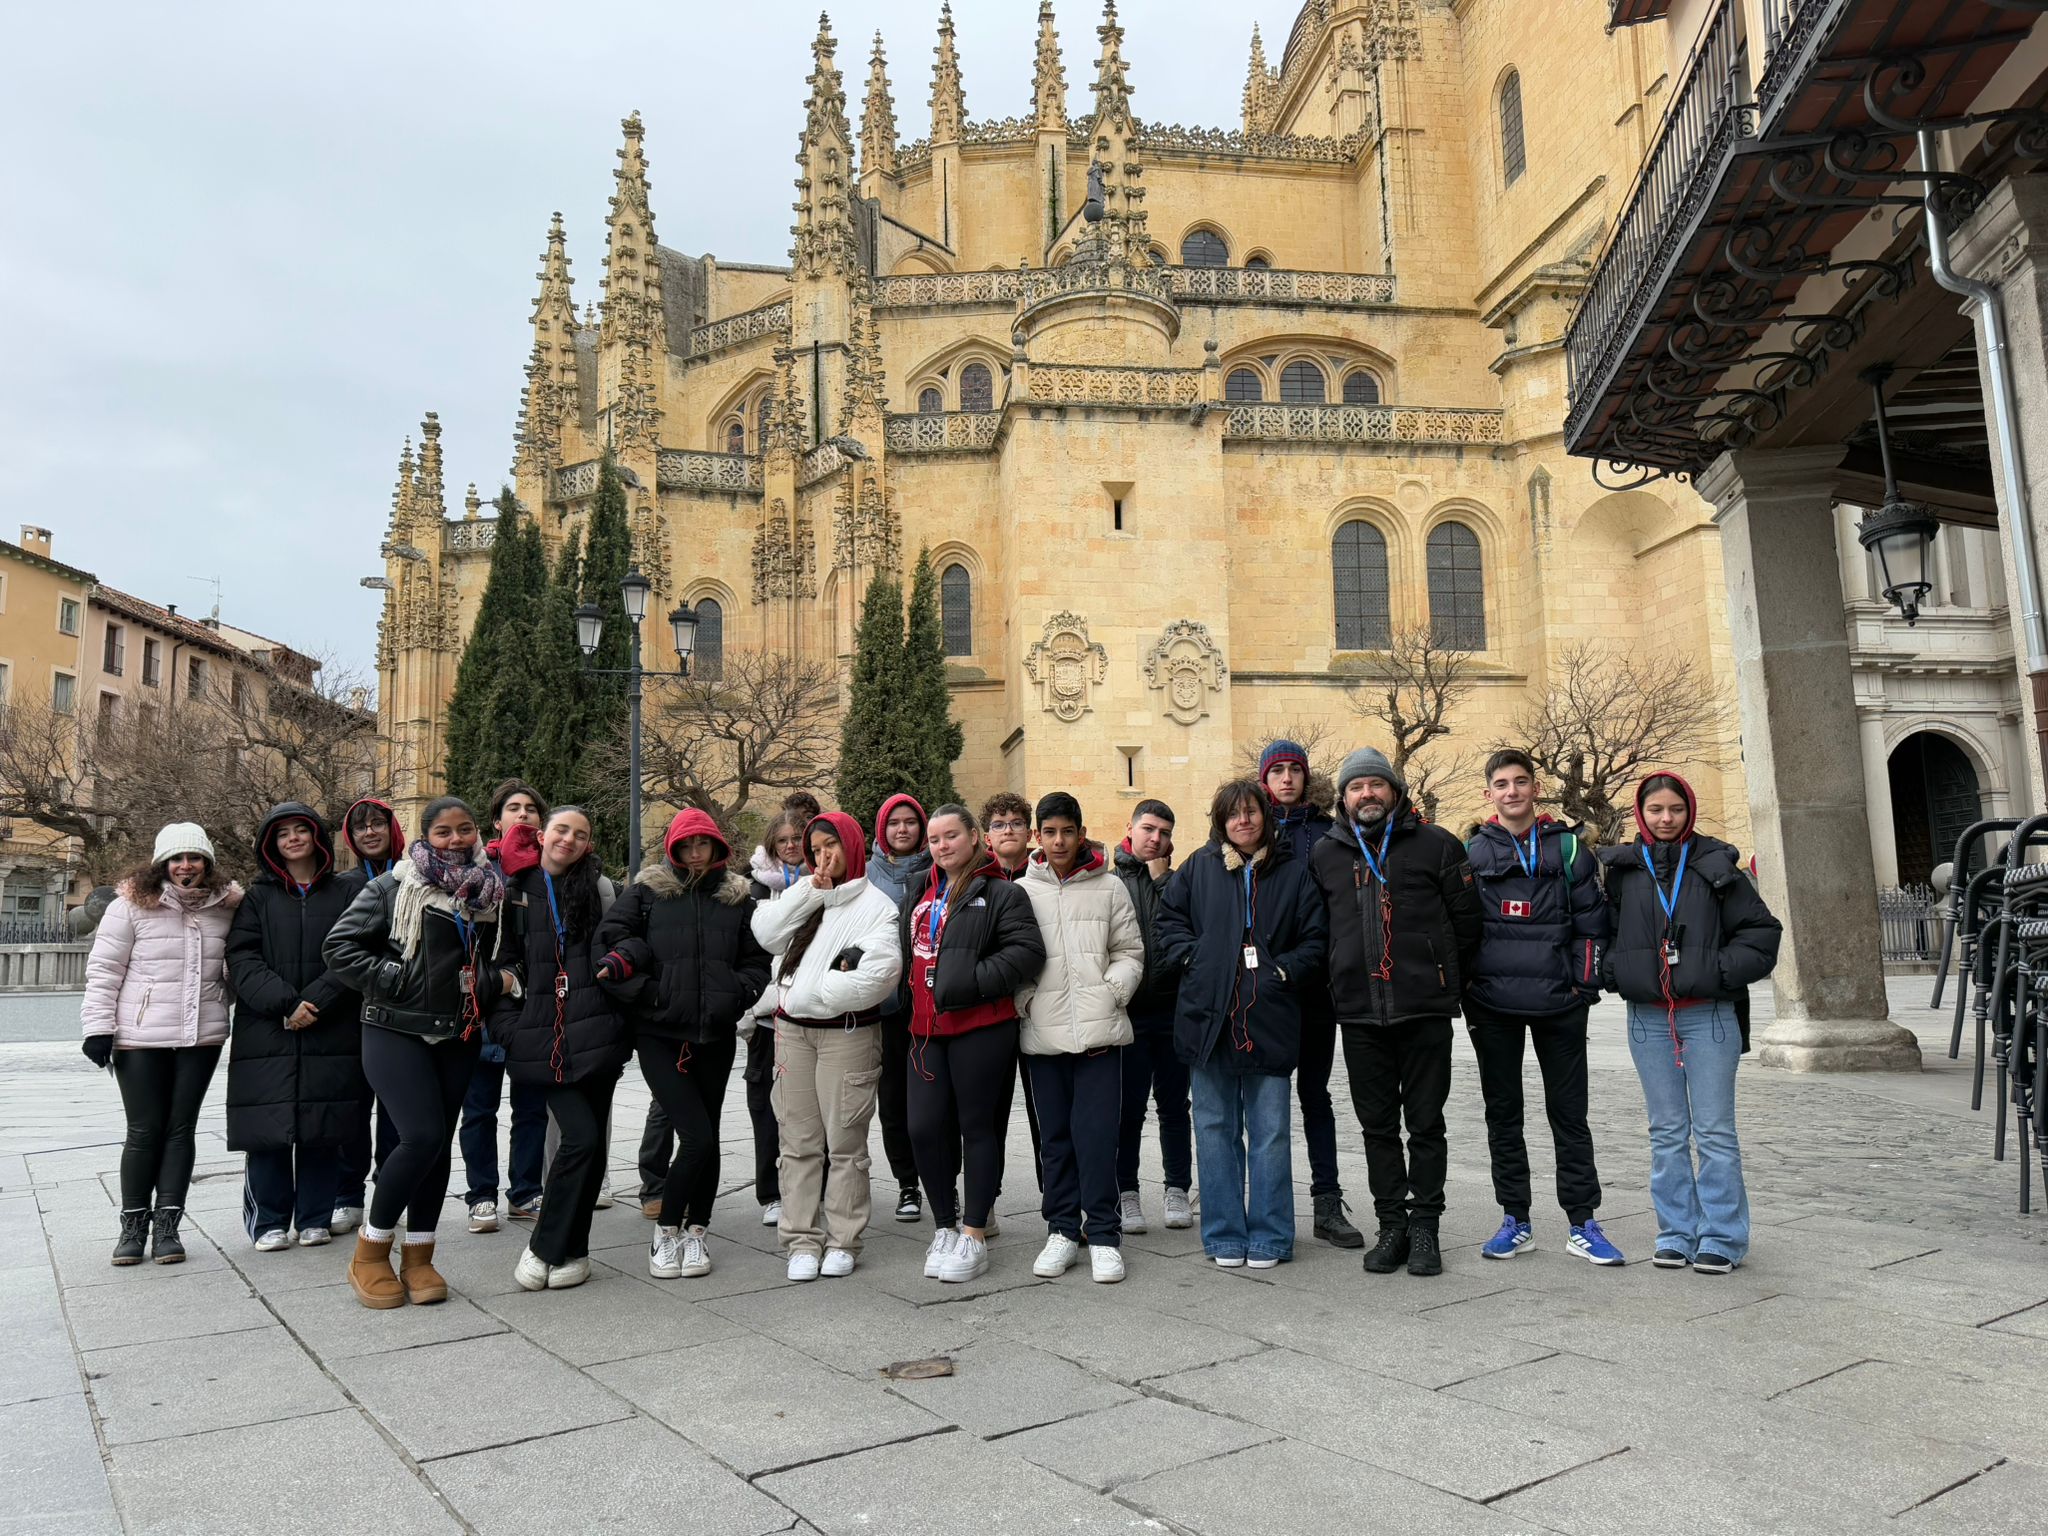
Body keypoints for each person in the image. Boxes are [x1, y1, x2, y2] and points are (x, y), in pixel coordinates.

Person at [323, 796, 506, 1309]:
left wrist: (494, 981)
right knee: (420, 1135)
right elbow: (339, 947)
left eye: (464, 829)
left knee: (437, 1144)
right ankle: (371, 1252)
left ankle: (420, 1256)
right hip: (393, 1028)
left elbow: (498, 962)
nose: (455, 840)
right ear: (425, 836)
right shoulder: (392, 886)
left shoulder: (489, 894)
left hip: (459, 1031)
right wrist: (394, 978)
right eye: (443, 832)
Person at [1309, 748, 1482, 1279]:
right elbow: (1321, 931)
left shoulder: (1437, 844)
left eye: (1376, 785)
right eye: (1357, 787)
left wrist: (1442, 978)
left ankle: (1426, 1225)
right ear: (1342, 797)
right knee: (1377, 1127)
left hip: (1423, 1009)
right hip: (1360, 1014)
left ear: (1395, 792)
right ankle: (1393, 1225)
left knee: (1426, 1124)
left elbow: (1467, 922)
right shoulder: (1327, 854)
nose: (1368, 794)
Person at [1600, 772, 1782, 1274]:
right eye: (1655, 810)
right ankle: (1676, 1232)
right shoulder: (1622, 871)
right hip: (1648, 1020)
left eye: (1675, 810)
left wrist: (1717, 971)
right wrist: (1615, 971)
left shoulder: (1716, 866)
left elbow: (1762, 932)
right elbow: (1600, 932)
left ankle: (1722, 1236)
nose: (1665, 819)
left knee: (1715, 1131)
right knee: (1666, 1131)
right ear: (1641, 813)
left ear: (1689, 811)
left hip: (1709, 1017)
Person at [1157, 781, 1326, 1270]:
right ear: (1220, 821)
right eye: (1233, 815)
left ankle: (1271, 1235)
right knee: (1213, 1128)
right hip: (1208, 1015)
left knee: (1270, 1130)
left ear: (1265, 816)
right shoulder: (1199, 867)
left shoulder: (1293, 871)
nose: (1243, 821)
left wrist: (1284, 971)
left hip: (1269, 1014)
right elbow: (1169, 921)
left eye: (1252, 812)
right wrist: (1194, 956)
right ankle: (1224, 1233)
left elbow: (1316, 935)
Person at [596, 809, 769, 1281]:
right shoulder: (647, 893)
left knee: (708, 1136)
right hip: (659, 1034)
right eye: (686, 845)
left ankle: (698, 1230)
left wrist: (736, 992)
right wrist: (651, 995)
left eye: (703, 844)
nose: (695, 853)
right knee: (694, 1136)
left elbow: (758, 959)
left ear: (717, 847)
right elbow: (609, 945)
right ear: (673, 848)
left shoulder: (737, 899)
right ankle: (666, 1228)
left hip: (714, 1034)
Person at [1464, 751, 1622, 1266]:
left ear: (1536, 789)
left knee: (1569, 1114)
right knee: (1503, 1115)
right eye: (1501, 784)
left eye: (1521, 782)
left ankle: (1583, 1221)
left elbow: (1592, 926)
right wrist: (1469, 988)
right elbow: (1462, 929)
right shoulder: (1470, 851)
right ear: (1489, 793)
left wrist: (1582, 986)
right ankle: (1516, 1219)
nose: (1512, 792)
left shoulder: (1570, 847)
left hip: (1560, 1003)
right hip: (1493, 1005)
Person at [748, 813, 903, 1281]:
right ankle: (800, 1239)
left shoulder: (877, 905)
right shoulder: (811, 896)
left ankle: (843, 1238)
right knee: (797, 1141)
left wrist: (805, 994)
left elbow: (876, 974)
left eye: (830, 846)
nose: (822, 856)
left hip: (847, 1035)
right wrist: (805, 891)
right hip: (792, 1034)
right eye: (815, 849)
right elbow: (768, 934)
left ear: (852, 846)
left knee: (845, 1142)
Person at [81, 823, 241, 1265]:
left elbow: (236, 965)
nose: (185, 866)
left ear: (207, 863)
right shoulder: (130, 905)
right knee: (144, 1129)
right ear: (161, 865)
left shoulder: (226, 906)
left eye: (194, 858)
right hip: (139, 1037)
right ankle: (132, 1225)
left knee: (180, 1129)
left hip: (201, 1035)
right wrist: (98, 1028)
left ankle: (168, 1226)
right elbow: (105, 969)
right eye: (176, 859)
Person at [904, 804, 1047, 1284]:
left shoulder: (1002, 892)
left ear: (973, 838)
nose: (942, 846)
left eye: (950, 836)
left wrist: (967, 981)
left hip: (981, 1026)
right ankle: (944, 1224)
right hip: (925, 1031)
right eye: (934, 839)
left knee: (977, 1128)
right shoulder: (920, 890)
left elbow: (1027, 953)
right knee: (924, 1128)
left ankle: (974, 1232)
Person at [491, 807, 632, 1291]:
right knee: (582, 1139)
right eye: (562, 830)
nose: (569, 840)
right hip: (542, 1035)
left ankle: (575, 1250)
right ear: (543, 834)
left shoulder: (600, 888)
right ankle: (544, 1246)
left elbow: (627, 942)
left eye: (580, 835)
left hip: (597, 1032)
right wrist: (510, 1028)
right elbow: (499, 963)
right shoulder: (513, 889)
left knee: (590, 1146)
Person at [1017, 793, 1145, 1284]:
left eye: (1067, 831)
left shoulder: (1110, 887)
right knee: (1055, 1141)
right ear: (1037, 836)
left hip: (1099, 1033)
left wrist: (1112, 992)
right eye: (1049, 832)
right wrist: (1024, 1001)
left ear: (1081, 832)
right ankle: (1062, 1229)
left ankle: (1106, 1234)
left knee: (1097, 1138)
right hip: (1043, 1034)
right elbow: (1012, 954)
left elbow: (1130, 951)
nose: (1058, 841)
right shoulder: (1021, 890)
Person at [226, 803, 364, 1252]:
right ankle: (268, 1219)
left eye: (300, 830)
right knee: (268, 1127)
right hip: (269, 1029)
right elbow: (243, 959)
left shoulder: (346, 893)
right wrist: (287, 1004)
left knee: (322, 1125)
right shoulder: (257, 898)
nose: (292, 838)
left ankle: (314, 1217)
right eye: (282, 833)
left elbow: (356, 952)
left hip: (330, 1025)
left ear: (316, 838)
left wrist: (316, 1003)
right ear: (272, 845)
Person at [1259, 739, 1363, 1250]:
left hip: (1316, 985)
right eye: (1275, 771)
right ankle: (1265, 1202)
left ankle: (1326, 1200)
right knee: (1263, 1100)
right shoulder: (1249, 832)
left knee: (1314, 1096)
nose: (1285, 779)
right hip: (1264, 988)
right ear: (1263, 780)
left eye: (1293, 770)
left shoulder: (1327, 832)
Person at [727, 808, 812, 1228]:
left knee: (808, 1108)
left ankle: (810, 1186)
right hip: (762, 1012)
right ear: (772, 845)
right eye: (783, 840)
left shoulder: (824, 881)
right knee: (763, 1105)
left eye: (799, 837)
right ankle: (770, 1192)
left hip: (808, 1008)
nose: (792, 845)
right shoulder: (753, 888)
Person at [1112, 800, 1193, 1234]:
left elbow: (1186, 924)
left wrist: (1163, 880)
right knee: (1128, 1109)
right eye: (1148, 829)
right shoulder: (1111, 882)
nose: (1155, 838)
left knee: (1175, 1106)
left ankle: (1178, 1188)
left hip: (1173, 1010)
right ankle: (1126, 1192)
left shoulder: (1179, 881)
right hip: (1128, 1012)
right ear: (1131, 828)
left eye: (1164, 832)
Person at [334, 797, 405, 1234]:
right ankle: (347, 1193)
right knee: (353, 1106)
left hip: (402, 1006)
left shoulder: (415, 875)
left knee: (399, 1108)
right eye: (360, 829)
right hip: (353, 1007)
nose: (370, 833)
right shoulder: (343, 884)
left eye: (377, 824)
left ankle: (391, 1186)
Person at [864, 793, 932, 1223]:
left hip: (929, 1006)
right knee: (892, 1104)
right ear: (882, 829)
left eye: (910, 822)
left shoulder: (939, 871)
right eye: (894, 823)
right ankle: (907, 1184)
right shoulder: (866, 875)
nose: (903, 829)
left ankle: (941, 1178)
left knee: (935, 1103)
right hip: (886, 1007)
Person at [981, 790, 1042, 1211]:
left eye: (1016, 823)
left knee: (1044, 1110)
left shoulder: (1042, 874)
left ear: (1029, 832)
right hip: (992, 1008)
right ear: (987, 836)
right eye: (999, 824)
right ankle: (986, 1198)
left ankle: (1055, 1196)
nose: (1008, 830)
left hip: (1040, 1006)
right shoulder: (977, 879)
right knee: (989, 1109)